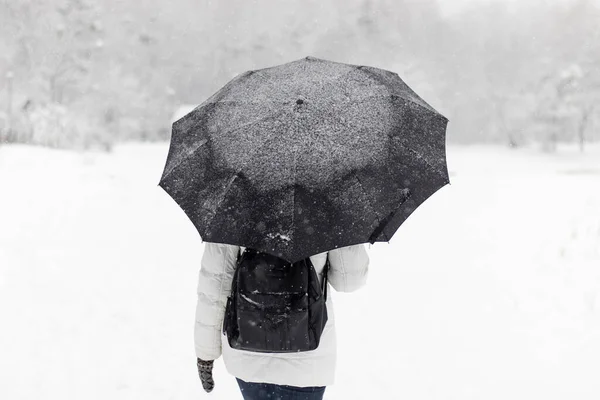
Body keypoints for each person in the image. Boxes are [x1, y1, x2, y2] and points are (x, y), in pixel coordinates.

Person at [194, 241, 370, 399]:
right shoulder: (326, 208)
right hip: (306, 356)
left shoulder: (236, 208)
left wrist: (206, 354)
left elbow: (214, 286)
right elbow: (348, 282)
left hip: (248, 350)